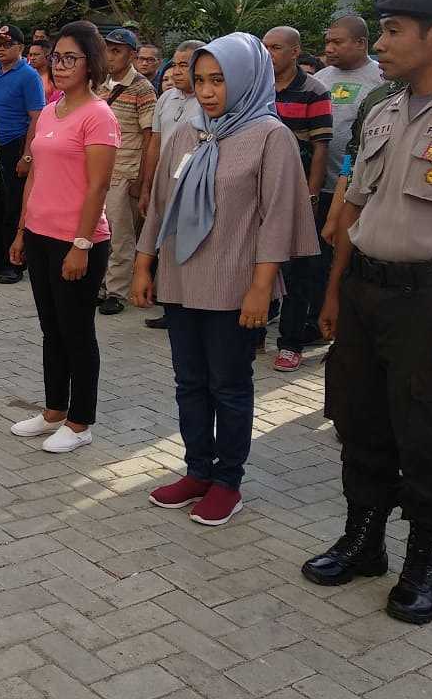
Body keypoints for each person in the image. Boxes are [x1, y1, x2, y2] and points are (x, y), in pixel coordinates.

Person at [304, 0, 432, 625]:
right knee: (359, 423)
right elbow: (355, 205)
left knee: (426, 435)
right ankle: (364, 540)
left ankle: (426, 564)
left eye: (393, 30)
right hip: (365, 289)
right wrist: (335, 290)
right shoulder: (384, 107)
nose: (382, 43)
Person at [134, 33, 318, 526]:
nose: (208, 91)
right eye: (200, 80)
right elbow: (159, 205)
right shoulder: (187, 132)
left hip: (235, 284)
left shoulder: (268, 135)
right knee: (189, 382)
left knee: (230, 386)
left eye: (219, 80)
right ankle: (197, 470)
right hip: (181, 279)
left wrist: (261, 287)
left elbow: (277, 217)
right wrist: (143, 263)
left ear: (246, 79)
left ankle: (228, 482)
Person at [8, 21, 118, 453]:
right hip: (38, 234)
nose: (61, 64)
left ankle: (80, 421)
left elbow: (98, 187)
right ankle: (54, 409)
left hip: (78, 241)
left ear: (91, 63)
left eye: (70, 57)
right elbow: (36, 172)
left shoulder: (99, 115)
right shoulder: (52, 110)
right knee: (51, 329)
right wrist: (20, 232)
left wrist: (82, 244)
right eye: (56, 57)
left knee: (77, 331)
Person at [263, 25, 332, 370]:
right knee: (259, 262)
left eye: (276, 47)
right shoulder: (255, 87)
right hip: (260, 189)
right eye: (265, 46)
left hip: (298, 189)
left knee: (298, 270)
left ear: (294, 52)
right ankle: (253, 333)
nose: (269, 52)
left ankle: (290, 343)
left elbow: (320, 146)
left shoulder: (313, 90)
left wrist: (312, 192)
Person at [309, 16, 383, 333]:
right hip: (318, 185)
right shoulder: (322, 78)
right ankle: (313, 320)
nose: (330, 48)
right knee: (314, 261)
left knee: (346, 257)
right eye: (327, 42)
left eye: (337, 42)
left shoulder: (382, 79)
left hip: (357, 189)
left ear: (361, 43)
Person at [138, 40, 205, 329]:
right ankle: (170, 304)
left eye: (185, 65)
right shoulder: (165, 98)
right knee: (164, 244)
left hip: (192, 188)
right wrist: (147, 185)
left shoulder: (208, 99)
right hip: (163, 185)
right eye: (175, 64)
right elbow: (154, 141)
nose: (177, 71)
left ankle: (192, 305)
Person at [98, 27, 156, 315]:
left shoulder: (143, 88)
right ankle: (100, 285)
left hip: (125, 171)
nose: (110, 56)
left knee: (120, 236)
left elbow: (150, 136)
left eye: (117, 50)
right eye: (108, 49)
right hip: (98, 171)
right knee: (98, 232)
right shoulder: (100, 84)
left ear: (132, 55)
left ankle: (116, 291)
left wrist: (142, 181)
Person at [0, 24, 46, 285]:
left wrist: (27, 155)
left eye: (6, 44)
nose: (0, 48)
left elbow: (37, 117)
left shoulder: (29, 76)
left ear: (20, 47)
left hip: (15, 145)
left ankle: (14, 263)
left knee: (14, 206)